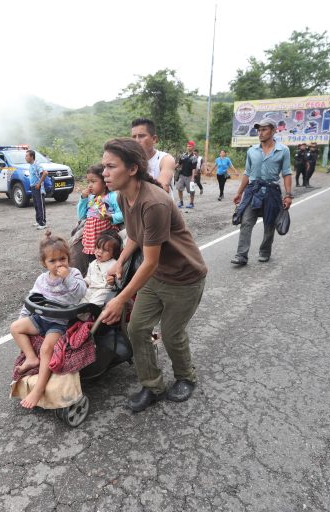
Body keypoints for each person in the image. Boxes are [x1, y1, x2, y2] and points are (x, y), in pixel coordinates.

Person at [98, 138, 207, 412]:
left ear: (133, 169)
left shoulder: (154, 202)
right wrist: (119, 262)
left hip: (184, 277)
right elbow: (135, 236)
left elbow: (149, 261)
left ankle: (186, 377)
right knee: (137, 328)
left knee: (171, 333)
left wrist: (121, 299)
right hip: (157, 277)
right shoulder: (124, 195)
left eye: (111, 166)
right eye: (104, 167)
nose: (104, 173)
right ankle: (153, 385)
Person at [10, 231, 87, 409]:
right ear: (44, 263)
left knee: (46, 349)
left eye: (62, 259)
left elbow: (80, 293)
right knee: (15, 327)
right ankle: (30, 358)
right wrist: (25, 316)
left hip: (57, 323)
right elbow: (32, 300)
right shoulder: (42, 279)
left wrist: (66, 277)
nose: (59, 264)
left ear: (68, 258)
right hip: (40, 318)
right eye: (52, 261)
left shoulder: (73, 274)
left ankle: (38, 389)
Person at [230, 118, 293, 265]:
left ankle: (265, 251)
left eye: (264, 129)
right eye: (259, 130)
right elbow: (247, 173)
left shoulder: (283, 150)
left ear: (273, 130)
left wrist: (288, 195)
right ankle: (241, 255)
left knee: (269, 223)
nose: (260, 133)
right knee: (246, 221)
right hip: (253, 190)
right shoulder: (252, 150)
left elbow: (287, 173)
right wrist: (239, 193)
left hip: (272, 191)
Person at [77, 164, 123, 264]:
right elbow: (82, 215)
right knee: (93, 262)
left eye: (93, 181)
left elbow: (122, 215)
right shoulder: (90, 198)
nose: (89, 185)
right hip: (90, 238)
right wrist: (83, 199)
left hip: (106, 239)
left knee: (108, 261)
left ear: (105, 182)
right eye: (88, 182)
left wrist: (111, 217)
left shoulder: (112, 197)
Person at [130, 118, 176, 194]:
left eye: (141, 136)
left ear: (154, 139)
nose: (137, 141)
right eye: (134, 137)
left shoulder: (165, 159)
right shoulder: (131, 162)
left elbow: (162, 187)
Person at [82, 231, 122, 307]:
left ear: (113, 253)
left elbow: (119, 282)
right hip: (91, 289)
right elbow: (89, 278)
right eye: (98, 248)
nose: (100, 252)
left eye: (105, 250)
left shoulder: (114, 264)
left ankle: (93, 313)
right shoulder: (93, 263)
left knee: (93, 303)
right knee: (81, 301)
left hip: (104, 290)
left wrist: (112, 282)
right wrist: (83, 282)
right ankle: (85, 316)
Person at [26, 149, 48, 230]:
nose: (26, 158)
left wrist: (39, 184)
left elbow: (45, 173)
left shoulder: (37, 164)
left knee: (40, 205)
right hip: (33, 187)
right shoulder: (31, 165)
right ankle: (38, 221)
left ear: (32, 157)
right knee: (36, 205)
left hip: (38, 188)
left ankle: (43, 223)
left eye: (27, 156)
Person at [176, 141, 197, 208]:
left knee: (191, 190)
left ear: (193, 147)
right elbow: (179, 164)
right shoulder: (183, 155)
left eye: (190, 146)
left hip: (190, 176)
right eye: (187, 146)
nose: (188, 147)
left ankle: (191, 203)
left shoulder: (194, 157)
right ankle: (181, 202)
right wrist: (171, 168)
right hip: (182, 175)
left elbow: (194, 168)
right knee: (179, 188)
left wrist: (193, 177)